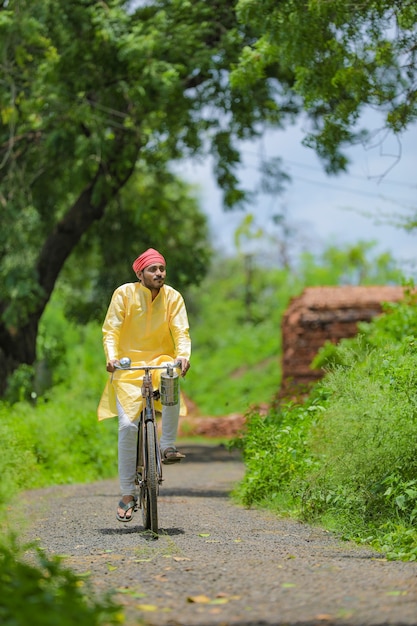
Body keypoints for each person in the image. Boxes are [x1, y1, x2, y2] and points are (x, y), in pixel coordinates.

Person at [97, 248, 191, 522]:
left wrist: (182, 355)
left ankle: (167, 446)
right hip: (127, 367)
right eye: (153, 269)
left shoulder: (173, 297)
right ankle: (127, 493)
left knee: (172, 377)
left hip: (161, 361)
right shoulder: (124, 294)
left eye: (162, 268)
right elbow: (111, 329)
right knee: (127, 426)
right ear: (140, 274)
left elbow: (181, 331)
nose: (159, 273)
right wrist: (111, 358)